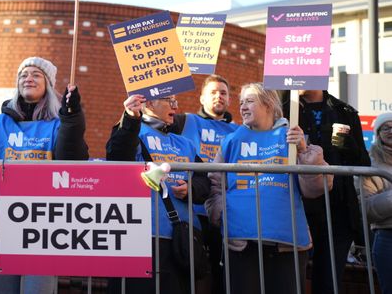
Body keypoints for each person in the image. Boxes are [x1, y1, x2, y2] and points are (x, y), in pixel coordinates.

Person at [0, 56, 88, 294]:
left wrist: (72, 117)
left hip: (45, 227)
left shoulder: (58, 123)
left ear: (48, 85)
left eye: (36, 75)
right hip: (4, 223)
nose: (28, 79)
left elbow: (72, 159)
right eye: (23, 75)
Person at [206, 83, 332, 294]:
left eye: (250, 101)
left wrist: (303, 151)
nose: (243, 107)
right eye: (241, 102)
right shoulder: (231, 141)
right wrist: (221, 213)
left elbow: (316, 188)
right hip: (242, 242)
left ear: (269, 103)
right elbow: (215, 185)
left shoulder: (292, 138)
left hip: (286, 244)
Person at [106, 93, 210, 293]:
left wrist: (192, 189)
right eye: (170, 101)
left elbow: (203, 180)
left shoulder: (185, 144)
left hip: (182, 239)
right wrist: (130, 117)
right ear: (150, 103)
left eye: (175, 101)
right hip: (142, 235)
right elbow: (118, 156)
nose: (175, 106)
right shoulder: (132, 132)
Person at [282, 89, 370, 294]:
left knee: (329, 281)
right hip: (297, 207)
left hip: (338, 209)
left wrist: (346, 144)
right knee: (290, 279)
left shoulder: (344, 111)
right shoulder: (282, 109)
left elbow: (363, 162)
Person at [179, 75, 238, 294]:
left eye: (223, 92)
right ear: (201, 98)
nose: (218, 96)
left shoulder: (238, 131)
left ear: (230, 99)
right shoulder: (187, 121)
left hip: (224, 212)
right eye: (213, 92)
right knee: (194, 273)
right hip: (193, 210)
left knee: (221, 273)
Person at [362, 112, 392, 294]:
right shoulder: (369, 162)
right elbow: (367, 209)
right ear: (378, 133)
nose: (391, 131)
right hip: (387, 236)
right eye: (386, 128)